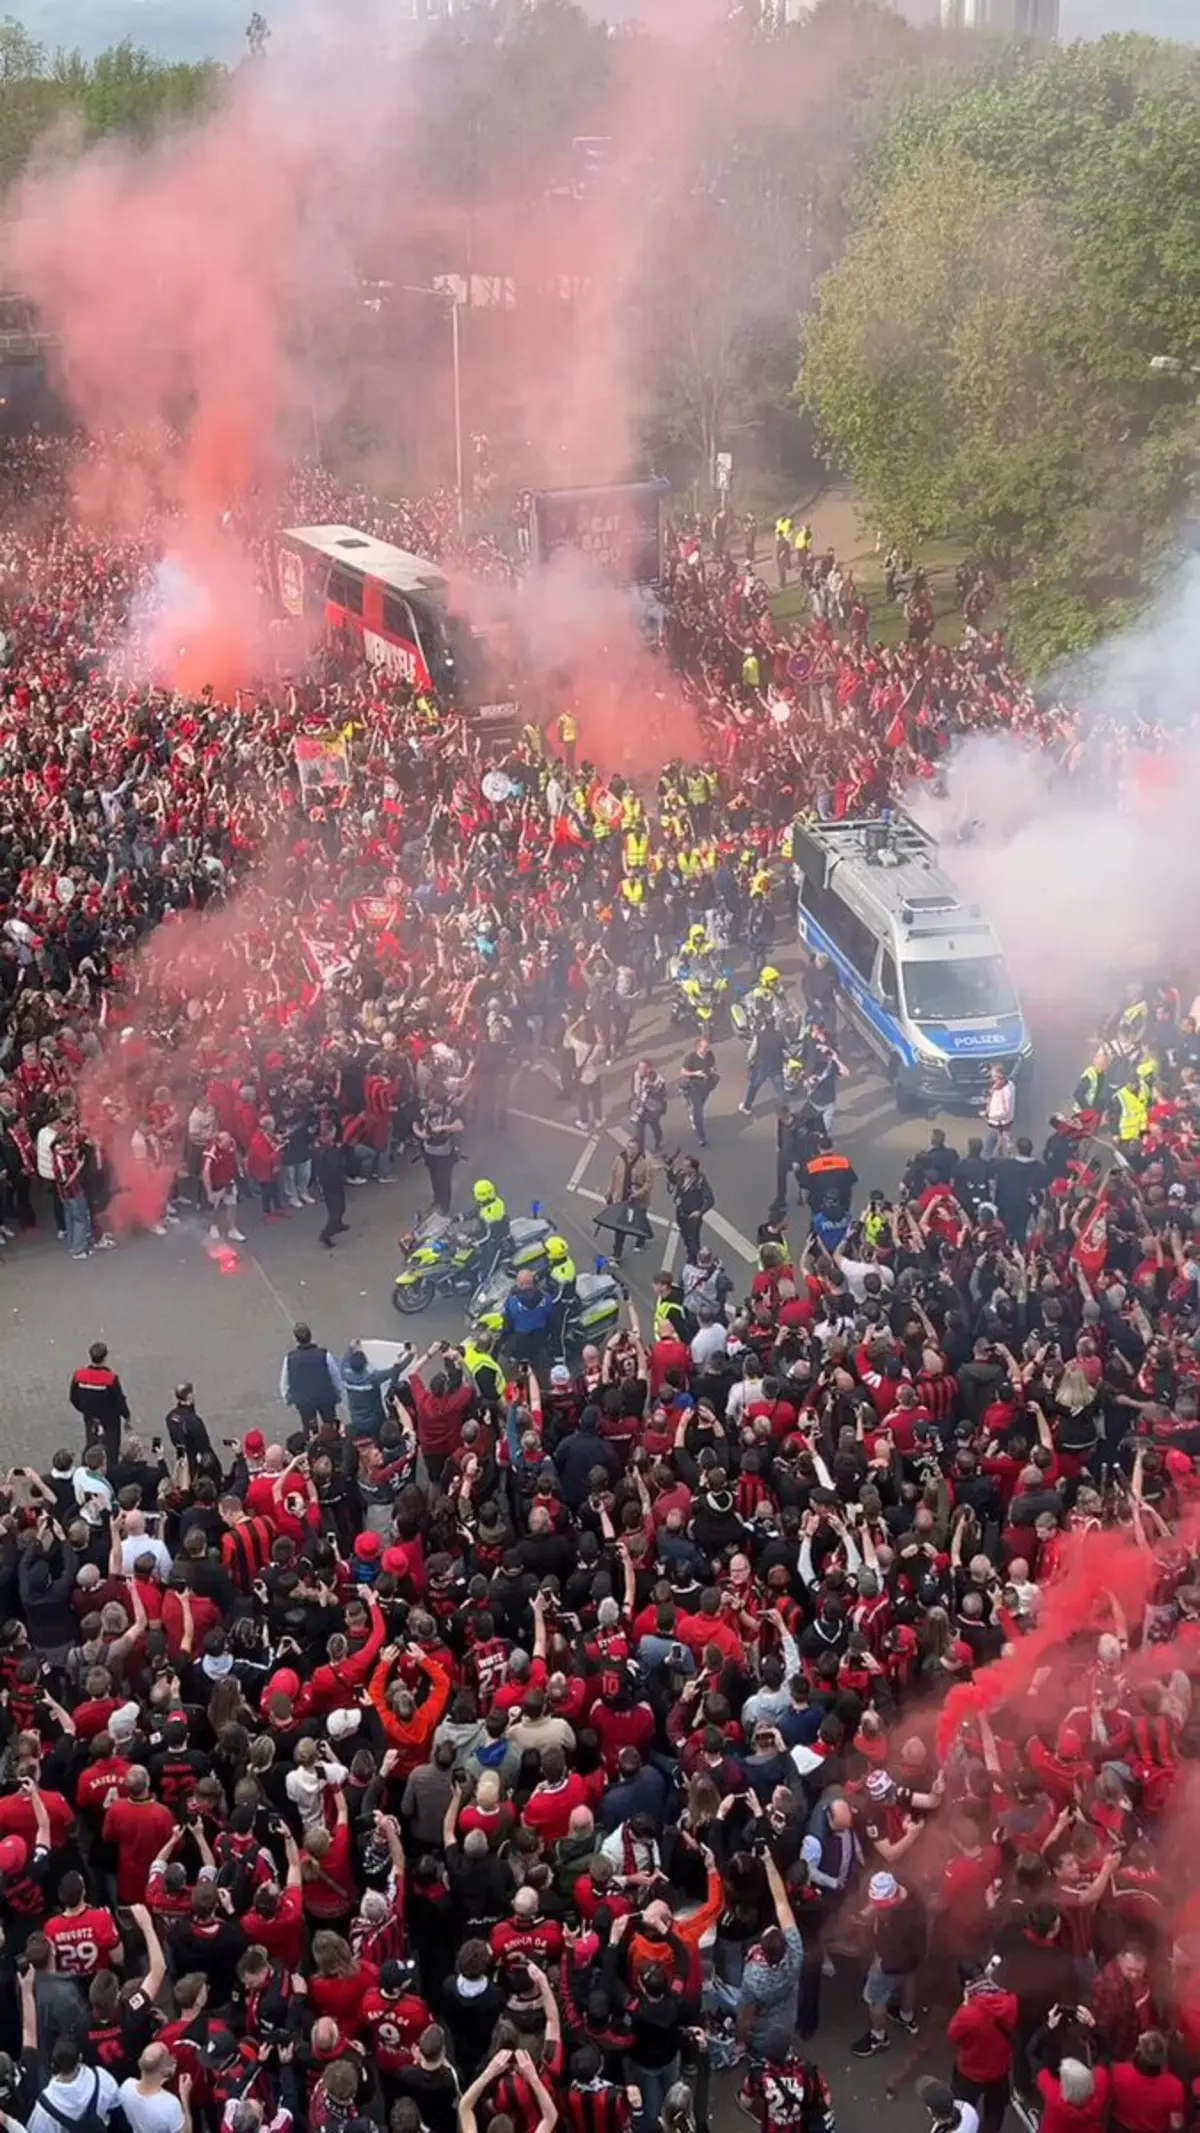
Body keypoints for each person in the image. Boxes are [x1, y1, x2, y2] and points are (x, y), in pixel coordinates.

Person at [69, 1345, 131, 1466]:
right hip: (110, 1418)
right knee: (111, 1446)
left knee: (91, 1441)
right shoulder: (110, 1378)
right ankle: (111, 1469)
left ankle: (87, 1465)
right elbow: (118, 1400)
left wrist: (84, 1410)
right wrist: (126, 1415)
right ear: (105, 1357)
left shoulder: (79, 1375)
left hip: (90, 1416)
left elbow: (73, 1397)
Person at [279, 1323, 345, 1429]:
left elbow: (284, 1382)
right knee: (331, 1425)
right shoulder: (324, 1354)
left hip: (304, 1401)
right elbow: (335, 1377)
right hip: (325, 1398)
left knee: (309, 1429)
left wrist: (288, 1398)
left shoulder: (290, 1358)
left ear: (296, 1339)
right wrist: (339, 1393)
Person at [413, 1094, 464, 1217]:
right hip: (429, 1152)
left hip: (445, 1153)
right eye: (430, 1105)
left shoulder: (450, 1112)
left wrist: (443, 1128)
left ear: (441, 1105)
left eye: (434, 1105)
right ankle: (437, 1200)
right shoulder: (424, 1112)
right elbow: (414, 1123)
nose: (431, 1108)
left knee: (444, 1179)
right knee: (434, 1178)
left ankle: (444, 1205)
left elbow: (460, 1126)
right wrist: (420, 1134)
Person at [605, 1140, 653, 1263]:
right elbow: (613, 1175)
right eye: (629, 1147)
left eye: (634, 1148)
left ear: (638, 1150)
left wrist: (638, 1193)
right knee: (620, 1226)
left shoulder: (645, 1164)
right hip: (622, 1199)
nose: (631, 1151)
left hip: (638, 1200)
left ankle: (641, 1239)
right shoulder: (619, 1159)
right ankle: (617, 1252)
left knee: (639, 1220)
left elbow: (649, 1184)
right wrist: (610, 1190)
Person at [668, 1155, 714, 1266]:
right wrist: (669, 1170)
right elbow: (674, 1182)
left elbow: (710, 1200)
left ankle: (697, 1261)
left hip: (692, 1217)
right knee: (685, 1236)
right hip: (681, 1212)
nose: (683, 1168)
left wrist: (699, 1212)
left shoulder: (700, 1180)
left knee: (693, 1239)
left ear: (693, 1169)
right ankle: (690, 1253)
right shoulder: (681, 1175)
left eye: (686, 1166)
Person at [679, 1035, 718, 1148]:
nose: (706, 1050)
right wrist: (696, 1073)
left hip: (706, 1086)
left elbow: (713, 1065)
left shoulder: (710, 1055)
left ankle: (692, 1111)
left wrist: (712, 1069)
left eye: (707, 1047)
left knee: (701, 1104)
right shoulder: (690, 1057)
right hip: (695, 1087)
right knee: (699, 1113)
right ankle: (702, 1138)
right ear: (698, 1047)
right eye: (704, 1047)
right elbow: (683, 1072)